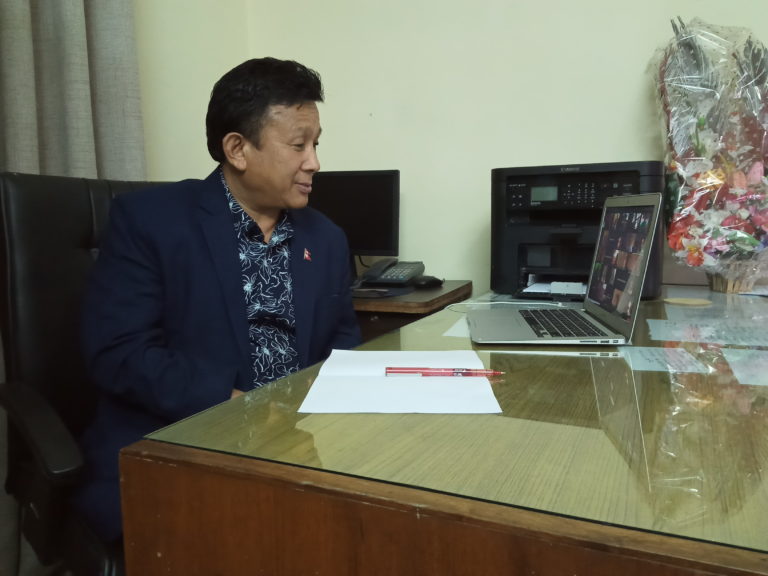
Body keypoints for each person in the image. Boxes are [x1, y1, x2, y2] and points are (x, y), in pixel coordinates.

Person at [74, 57, 362, 542]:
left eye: (316, 144)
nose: (314, 162)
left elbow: (342, 343)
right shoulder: (150, 221)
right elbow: (119, 353)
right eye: (299, 145)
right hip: (182, 445)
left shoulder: (326, 237)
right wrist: (242, 410)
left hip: (298, 447)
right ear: (237, 149)